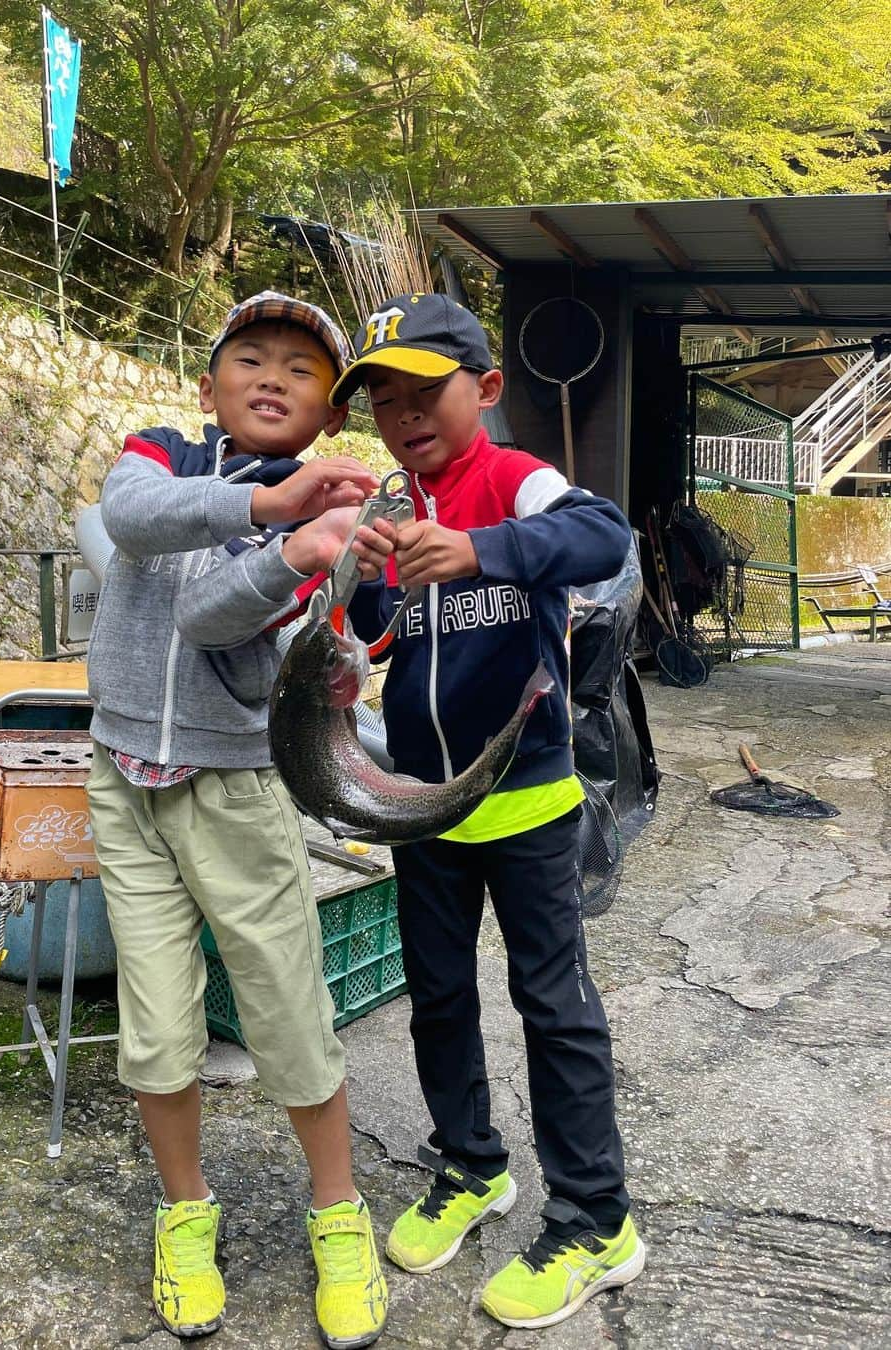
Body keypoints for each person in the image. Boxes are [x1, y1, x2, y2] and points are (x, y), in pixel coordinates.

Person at [331, 292, 645, 1331]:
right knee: (436, 998)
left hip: (527, 797)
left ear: (488, 390)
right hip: (424, 806)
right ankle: (470, 1167)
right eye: (383, 398)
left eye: (427, 390)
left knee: (552, 1005)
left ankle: (598, 1222)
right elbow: (378, 638)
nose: (405, 414)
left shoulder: (517, 482)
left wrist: (485, 549)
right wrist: (366, 593)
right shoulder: (390, 502)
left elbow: (603, 537)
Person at [85, 292, 393, 1347]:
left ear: (330, 415)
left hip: (239, 789)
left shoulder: (344, 519)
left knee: (288, 1011)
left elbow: (210, 618)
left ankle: (338, 1213)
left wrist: (309, 550)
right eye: (249, 357)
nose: (271, 377)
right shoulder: (161, 455)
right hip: (124, 779)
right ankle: (183, 1213)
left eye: (301, 371)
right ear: (210, 382)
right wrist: (270, 514)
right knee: (158, 1025)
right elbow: (126, 518)